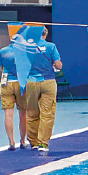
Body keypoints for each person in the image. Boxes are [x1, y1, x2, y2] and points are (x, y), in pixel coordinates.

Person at [25, 26, 62, 154]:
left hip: (31, 82)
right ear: (45, 34)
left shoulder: (27, 47)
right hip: (48, 81)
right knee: (47, 113)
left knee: (31, 113)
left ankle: (33, 142)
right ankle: (43, 143)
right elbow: (58, 65)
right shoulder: (51, 47)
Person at [0, 42, 27, 150]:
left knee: (8, 114)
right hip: (20, 83)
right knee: (23, 114)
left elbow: (1, 67)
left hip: (7, 83)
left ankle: (11, 141)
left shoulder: (3, 50)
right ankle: (23, 141)